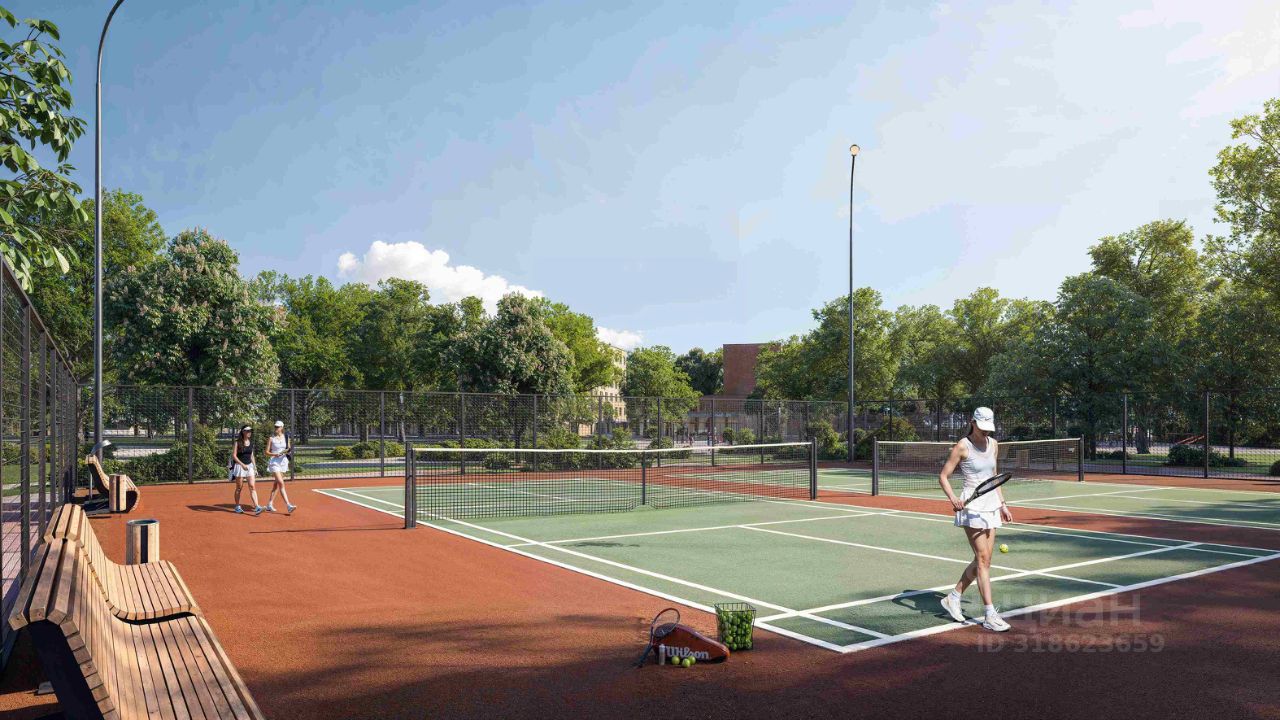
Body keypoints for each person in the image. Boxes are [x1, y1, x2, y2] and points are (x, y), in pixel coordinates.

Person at [937, 407, 1012, 632]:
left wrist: (1003, 504)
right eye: (982, 427)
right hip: (972, 507)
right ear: (973, 423)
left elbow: (994, 478)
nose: (986, 432)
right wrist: (953, 498)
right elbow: (943, 476)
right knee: (982, 559)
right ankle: (989, 614)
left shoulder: (994, 444)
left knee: (985, 561)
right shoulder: (962, 446)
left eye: (989, 428)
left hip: (991, 506)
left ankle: (953, 597)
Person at [229, 425, 264, 515]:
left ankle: (257, 506)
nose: (249, 432)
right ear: (243, 432)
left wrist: (255, 468)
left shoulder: (251, 442)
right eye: (247, 431)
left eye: (250, 431)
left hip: (249, 467)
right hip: (239, 467)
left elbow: (251, 456)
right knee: (239, 488)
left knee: (252, 486)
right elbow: (234, 456)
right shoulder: (237, 443)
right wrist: (242, 464)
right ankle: (237, 506)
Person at [264, 420, 296, 513]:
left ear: (282, 428)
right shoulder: (271, 438)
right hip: (274, 462)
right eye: (275, 426)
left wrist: (286, 451)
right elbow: (266, 452)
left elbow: (288, 448)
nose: (276, 428)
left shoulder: (286, 437)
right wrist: (275, 454)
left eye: (278, 427)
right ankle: (288, 505)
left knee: (276, 484)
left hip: (283, 462)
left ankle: (269, 504)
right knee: (281, 483)